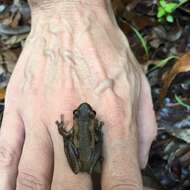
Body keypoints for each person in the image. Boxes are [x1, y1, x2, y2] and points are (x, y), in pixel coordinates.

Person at [0, 0, 157, 189]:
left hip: (84, 153)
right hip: (88, 155)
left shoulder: (81, 126)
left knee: (68, 143)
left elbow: (71, 137)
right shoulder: (92, 125)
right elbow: (92, 137)